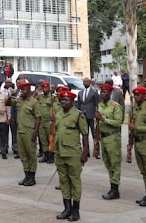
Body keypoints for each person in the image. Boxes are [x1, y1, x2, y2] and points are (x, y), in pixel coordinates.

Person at [52, 89, 89, 221]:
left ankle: (75, 210)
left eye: (66, 100)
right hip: (60, 153)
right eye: (62, 99)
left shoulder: (79, 115)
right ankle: (66, 208)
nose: (63, 102)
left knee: (75, 182)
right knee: (64, 181)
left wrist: (85, 154)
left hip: (73, 153)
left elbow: (85, 135)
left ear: (72, 101)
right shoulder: (58, 114)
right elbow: (56, 132)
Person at [5, 80, 40, 187]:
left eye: (24, 89)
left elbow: (38, 119)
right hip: (20, 131)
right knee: (23, 155)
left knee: (31, 155)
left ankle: (32, 177)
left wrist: (35, 133)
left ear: (29, 90)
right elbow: (7, 103)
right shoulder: (19, 100)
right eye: (21, 89)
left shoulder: (34, 102)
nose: (22, 91)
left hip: (30, 132)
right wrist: (11, 95)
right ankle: (27, 175)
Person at [96, 83, 124, 200]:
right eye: (101, 92)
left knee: (114, 163)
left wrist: (104, 119)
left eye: (105, 92)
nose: (103, 94)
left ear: (110, 93)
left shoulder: (115, 106)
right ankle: (112, 185)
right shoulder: (100, 105)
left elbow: (118, 122)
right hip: (103, 137)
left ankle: (115, 189)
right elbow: (97, 123)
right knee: (107, 163)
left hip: (113, 137)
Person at [76, 77, 100, 154]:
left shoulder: (94, 92)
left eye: (87, 81)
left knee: (94, 134)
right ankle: (86, 151)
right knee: (84, 134)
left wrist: (96, 113)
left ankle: (96, 151)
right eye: (84, 81)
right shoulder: (80, 92)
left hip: (91, 115)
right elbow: (78, 104)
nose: (85, 83)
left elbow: (97, 104)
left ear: (90, 82)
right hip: (82, 116)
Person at [36, 82, 54, 163]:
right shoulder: (40, 97)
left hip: (49, 121)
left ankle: (51, 156)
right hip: (41, 121)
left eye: (46, 88)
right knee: (43, 139)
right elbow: (31, 101)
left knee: (50, 139)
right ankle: (45, 155)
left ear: (49, 88)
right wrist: (36, 92)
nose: (45, 89)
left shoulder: (52, 97)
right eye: (43, 88)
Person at [4, 79, 19, 157]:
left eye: (9, 82)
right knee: (5, 132)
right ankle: (5, 147)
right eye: (6, 82)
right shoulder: (2, 91)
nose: (8, 83)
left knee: (14, 133)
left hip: (13, 115)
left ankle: (15, 147)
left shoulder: (15, 92)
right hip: (5, 115)